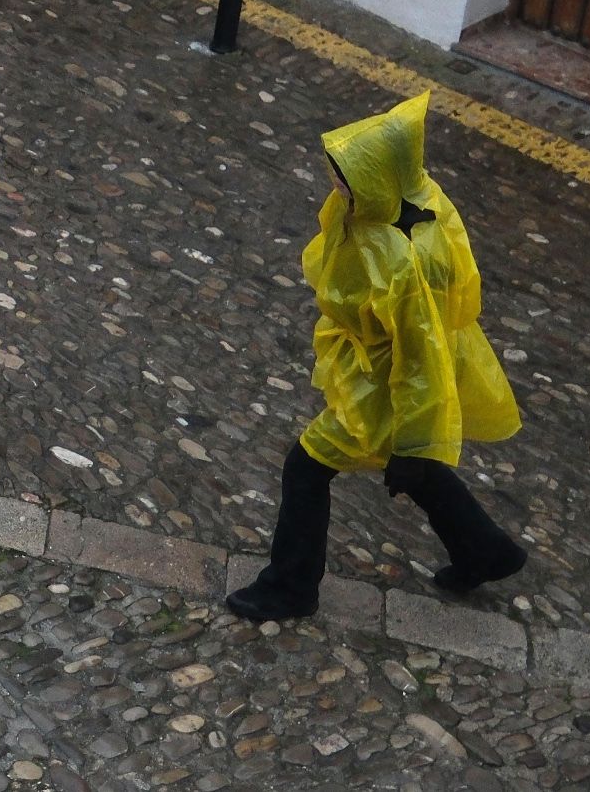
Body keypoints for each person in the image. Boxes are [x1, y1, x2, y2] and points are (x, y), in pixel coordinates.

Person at [226, 91, 527, 622]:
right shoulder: (417, 200)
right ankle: (484, 549)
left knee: (307, 469)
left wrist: (414, 439)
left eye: (344, 176)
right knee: (411, 465)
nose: (335, 184)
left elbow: (419, 359)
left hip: (383, 384)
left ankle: (291, 587)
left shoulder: (397, 262)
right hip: (389, 374)